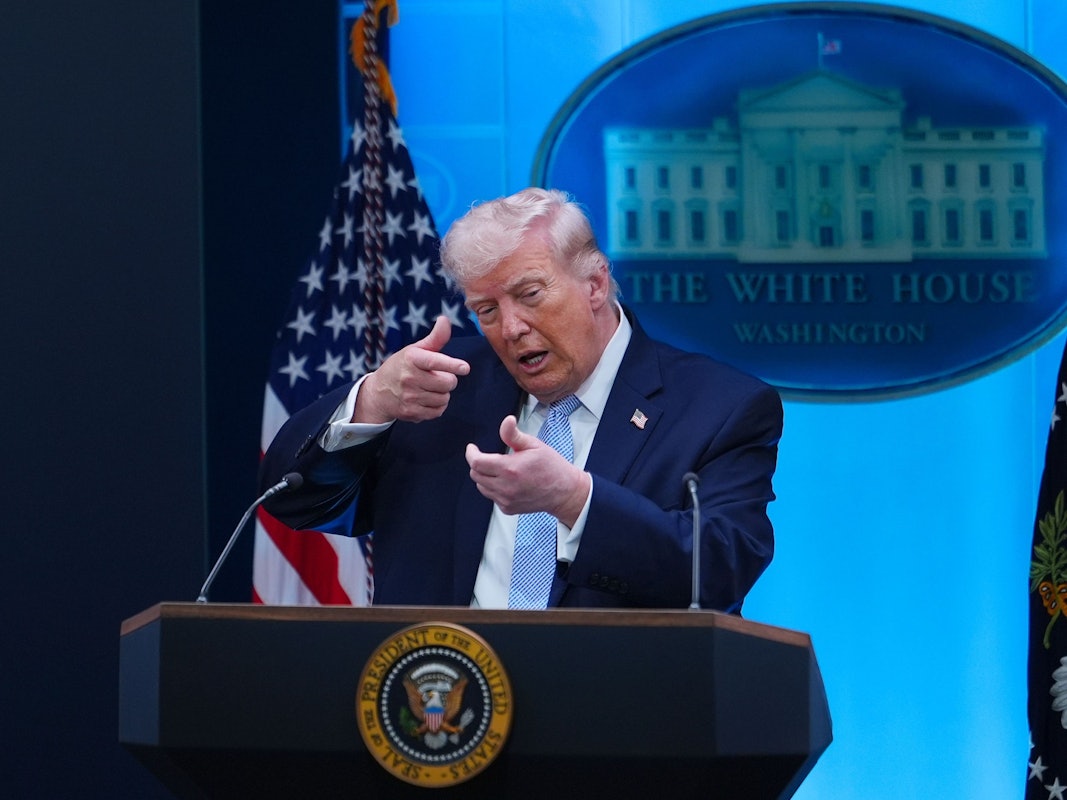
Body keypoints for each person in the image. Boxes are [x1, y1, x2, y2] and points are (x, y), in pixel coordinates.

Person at [260, 187, 782, 611]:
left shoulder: (719, 408)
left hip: (617, 722)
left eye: (530, 295)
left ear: (596, 284)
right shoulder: (440, 389)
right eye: (485, 310)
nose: (510, 328)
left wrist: (574, 500)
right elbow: (293, 502)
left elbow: (720, 569)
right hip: (435, 718)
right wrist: (371, 400)